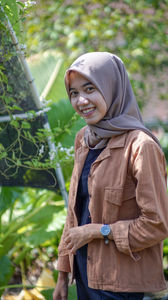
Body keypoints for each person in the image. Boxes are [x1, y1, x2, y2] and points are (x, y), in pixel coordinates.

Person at [53, 52, 168, 300]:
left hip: (120, 282)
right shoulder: (84, 139)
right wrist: (63, 275)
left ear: (112, 87)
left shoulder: (140, 146)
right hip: (84, 273)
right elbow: (75, 211)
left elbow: (156, 224)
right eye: (74, 93)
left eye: (90, 89)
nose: (81, 100)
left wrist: (98, 231)